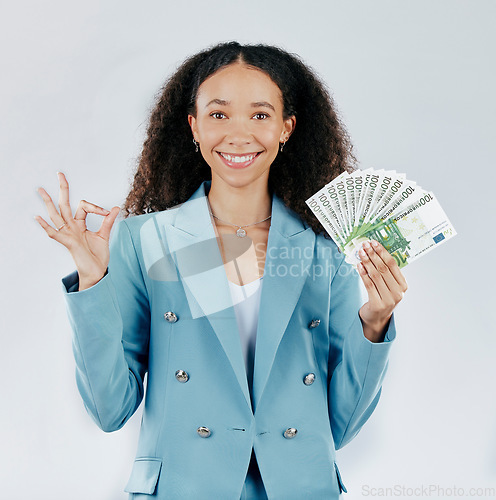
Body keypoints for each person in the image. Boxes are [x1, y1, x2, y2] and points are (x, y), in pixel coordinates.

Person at [35, 41, 408, 500]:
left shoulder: (324, 248)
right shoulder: (144, 239)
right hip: (183, 488)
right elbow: (109, 409)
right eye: (218, 114)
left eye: (259, 115)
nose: (238, 134)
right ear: (192, 126)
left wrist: (374, 325)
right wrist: (93, 283)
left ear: (286, 128)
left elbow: (339, 424)